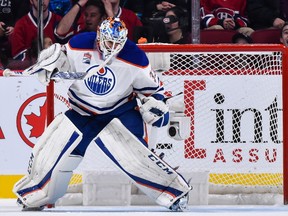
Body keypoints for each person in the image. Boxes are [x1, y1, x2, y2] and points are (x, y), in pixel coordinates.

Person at [12, 17, 192, 212]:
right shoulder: (79, 44)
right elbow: (61, 57)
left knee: (135, 157)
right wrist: (50, 63)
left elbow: (154, 90)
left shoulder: (135, 58)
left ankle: (175, 194)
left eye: (117, 43)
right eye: (109, 42)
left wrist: (157, 105)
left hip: (119, 112)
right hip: (81, 111)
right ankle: (33, 194)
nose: (112, 47)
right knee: (50, 148)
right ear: (99, 37)